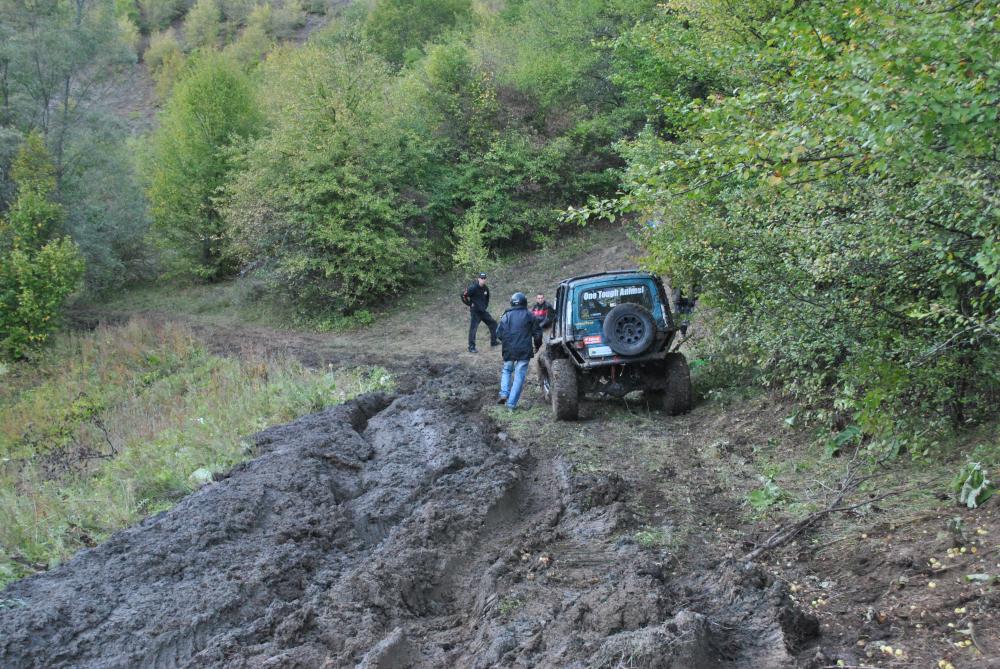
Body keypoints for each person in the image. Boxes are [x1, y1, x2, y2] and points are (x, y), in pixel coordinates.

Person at [496, 292, 542, 411]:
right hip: (524, 351)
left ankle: (504, 393)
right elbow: (537, 334)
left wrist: (507, 342)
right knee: (519, 376)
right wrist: (537, 346)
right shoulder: (529, 315)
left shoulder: (505, 316)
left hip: (508, 350)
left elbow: (498, 334)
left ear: (512, 302)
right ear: (524, 302)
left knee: (506, 370)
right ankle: (511, 405)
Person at [463, 272, 498, 353]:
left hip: (483, 312)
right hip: (475, 312)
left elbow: (487, 299)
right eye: (481, 278)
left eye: (484, 278)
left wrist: (484, 306)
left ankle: (494, 342)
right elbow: (463, 295)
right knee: (473, 329)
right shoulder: (473, 288)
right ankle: (471, 347)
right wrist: (469, 304)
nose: (483, 280)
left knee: (493, 323)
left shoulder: (486, 289)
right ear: (478, 279)